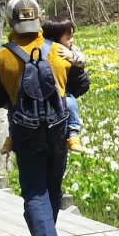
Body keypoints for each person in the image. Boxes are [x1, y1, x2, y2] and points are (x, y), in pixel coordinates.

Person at [0, 0, 90, 236]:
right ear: (38, 19)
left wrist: (15, 95)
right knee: (52, 188)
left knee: (34, 190)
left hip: (25, 132)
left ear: (10, 21)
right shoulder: (58, 51)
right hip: (58, 130)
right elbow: (79, 87)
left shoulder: (0, 57)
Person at [41, 16, 88, 153]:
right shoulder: (45, 49)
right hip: (49, 86)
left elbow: (83, 61)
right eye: (68, 38)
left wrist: (71, 56)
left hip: (65, 87)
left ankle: (73, 132)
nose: (71, 40)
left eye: (71, 36)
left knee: (70, 103)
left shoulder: (71, 49)